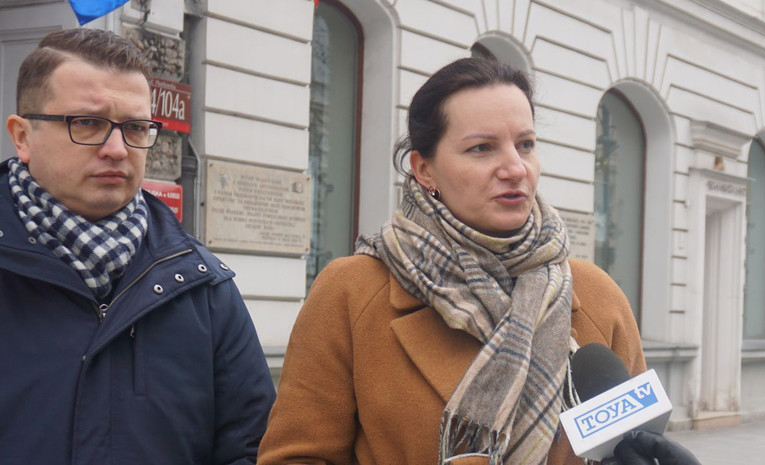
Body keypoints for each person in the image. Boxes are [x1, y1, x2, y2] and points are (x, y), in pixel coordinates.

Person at [257, 57, 646, 465]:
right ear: (425, 170)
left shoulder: (597, 296)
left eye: (525, 144)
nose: (515, 168)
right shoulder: (352, 293)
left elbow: (636, 443)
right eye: (482, 148)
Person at [0, 28, 275, 464]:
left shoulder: (204, 288)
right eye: (87, 123)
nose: (116, 149)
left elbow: (251, 447)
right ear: (22, 136)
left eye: (135, 127)